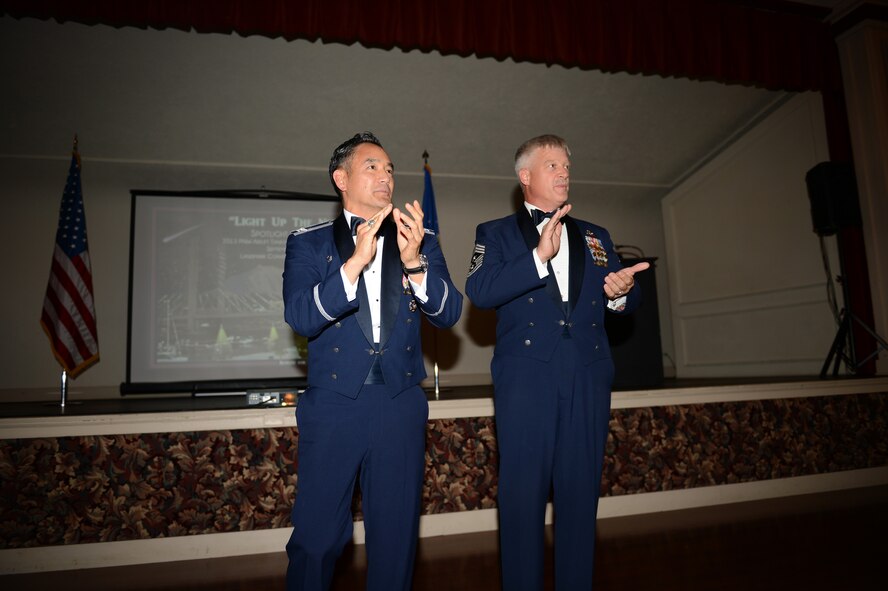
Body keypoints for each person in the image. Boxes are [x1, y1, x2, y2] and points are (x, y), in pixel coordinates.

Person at [465, 134, 649, 590]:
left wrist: (622, 294)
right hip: (526, 380)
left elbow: (621, 288)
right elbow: (480, 291)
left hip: (588, 375)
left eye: (567, 165)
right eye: (553, 165)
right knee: (523, 497)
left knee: (580, 496)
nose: (564, 172)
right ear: (525, 177)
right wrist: (537, 258)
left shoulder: (595, 235)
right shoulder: (495, 234)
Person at [282, 131, 463, 591]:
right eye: (372, 167)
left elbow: (449, 313)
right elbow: (301, 317)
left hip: (400, 404)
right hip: (335, 405)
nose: (385, 176)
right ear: (341, 178)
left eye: (389, 169)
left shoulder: (418, 239)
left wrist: (416, 262)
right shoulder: (309, 244)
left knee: (396, 540)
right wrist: (353, 265)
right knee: (318, 539)